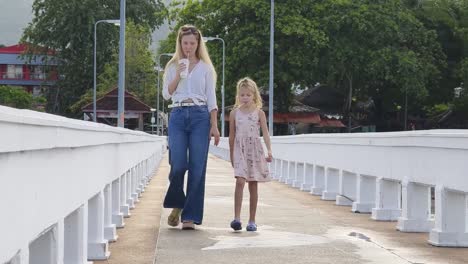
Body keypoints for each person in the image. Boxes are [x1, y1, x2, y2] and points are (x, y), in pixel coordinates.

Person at [162, 24, 220, 230]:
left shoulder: (206, 68)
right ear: (180, 43)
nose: (188, 47)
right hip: (177, 114)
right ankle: (177, 202)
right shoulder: (171, 66)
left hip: (199, 117)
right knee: (178, 165)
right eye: (185, 43)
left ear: (198, 44)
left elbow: (212, 99)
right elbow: (166, 94)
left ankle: (190, 216)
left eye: (192, 43)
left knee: (197, 168)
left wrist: (214, 125)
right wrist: (178, 74)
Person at [228, 77, 272, 232]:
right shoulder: (234, 114)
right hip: (239, 149)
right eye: (242, 95)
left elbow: (265, 133)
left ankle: (252, 220)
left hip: (255, 150)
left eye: (248, 94)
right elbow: (232, 136)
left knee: (253, 184)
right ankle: (236, 218)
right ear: (238, 96)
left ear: (254, 95)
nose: (245, 98)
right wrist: (232, 155)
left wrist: (269, 150)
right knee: (240, 181)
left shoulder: (259, 113)